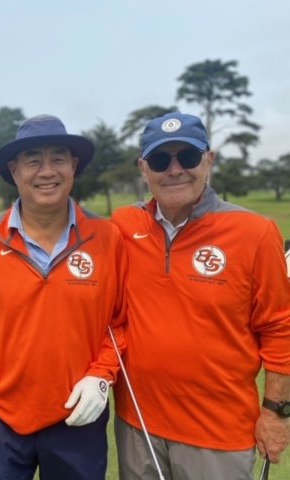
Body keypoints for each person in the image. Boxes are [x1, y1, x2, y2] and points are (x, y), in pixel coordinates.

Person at [111, 112, 290, 479]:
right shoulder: (123, 226)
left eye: (188, 157)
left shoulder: (255, 232)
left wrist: (275, 413)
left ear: (209, 159)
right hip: (138, 426)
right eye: (161, 160)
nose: (174, 169)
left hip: (218, 435)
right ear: (143, 168)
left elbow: (279, 329)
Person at [0, 114, 128, 479]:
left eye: (58, 159)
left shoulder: (107, 238)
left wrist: (102, 374)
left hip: (79, 415)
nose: (46, 171)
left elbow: (121, 323)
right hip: (2, 416)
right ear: (14, 170)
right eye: (33, 160)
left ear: (73, 166)